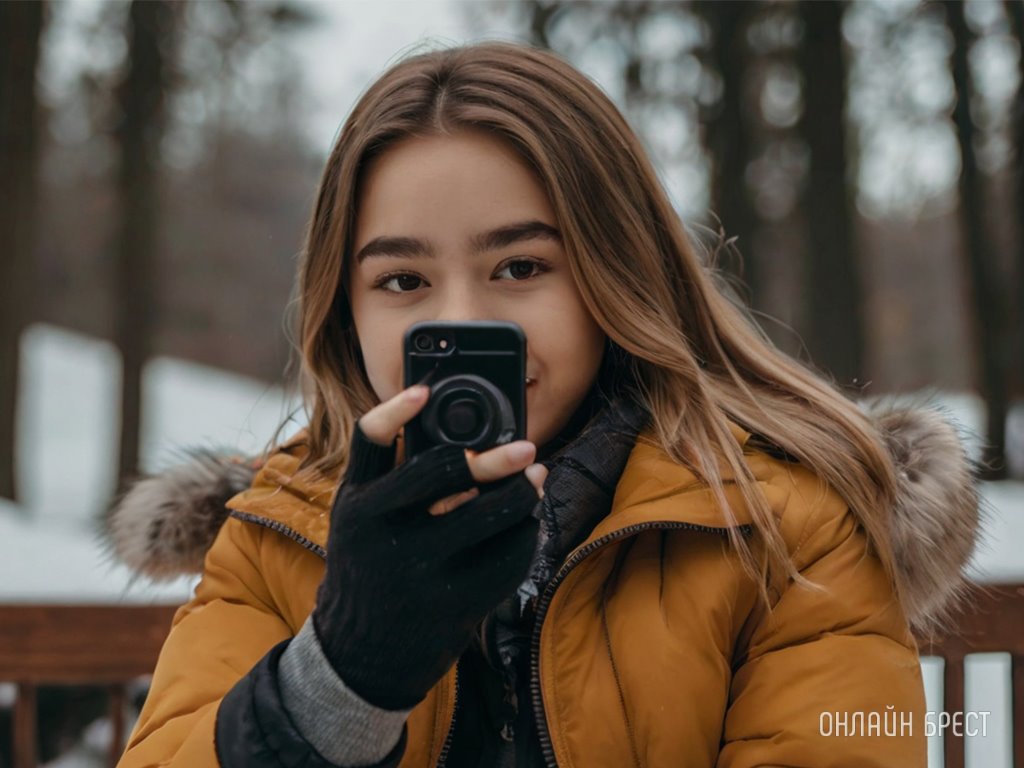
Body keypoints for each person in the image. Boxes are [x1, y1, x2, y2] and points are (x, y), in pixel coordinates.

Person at [111, 41, 980, 768]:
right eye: (404, 279)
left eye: (521, 267)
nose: (462, 321)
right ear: (347, 309)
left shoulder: (787, 528)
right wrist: (342, 676)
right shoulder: (273, 535)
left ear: (617, 272)